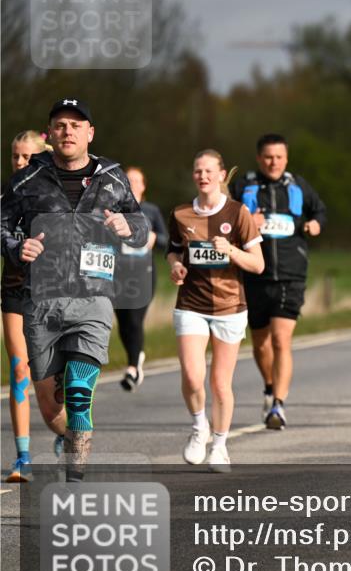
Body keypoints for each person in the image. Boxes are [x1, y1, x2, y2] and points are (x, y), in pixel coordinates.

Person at [1, 98, 149, 482]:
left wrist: (127, 227)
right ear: (50, 135)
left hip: (93, 299)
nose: (68, 131)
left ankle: (75, 484)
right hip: (41, 304)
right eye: (60, 125)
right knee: (51, 408)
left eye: (76, 125)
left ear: (90, 133)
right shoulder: (25, 180)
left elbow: (141, 223)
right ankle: (68, 439)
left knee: (81, 394)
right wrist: (17, 247)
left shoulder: (113, 178)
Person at [169, 150, 264, 472]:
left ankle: (220, 446)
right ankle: (199, 428)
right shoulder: (181, 214)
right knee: (193, 377)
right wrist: (176, 267)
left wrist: (232, 250)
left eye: (209, 171)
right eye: (198, 171)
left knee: (220, 384)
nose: (203, 176)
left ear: (222, 174)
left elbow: (258, 264)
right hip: (191, 306)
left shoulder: (239, 213)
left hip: (229, 307)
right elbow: (172, 252)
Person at [229, 134, 326, 430]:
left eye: (279, 157)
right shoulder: (243, 185)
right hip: (254, 273)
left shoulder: (298, 185)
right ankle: (270, 387)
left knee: (282, 339)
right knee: (260, 344)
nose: (274, 162)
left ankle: (278, 406)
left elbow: (319, 210)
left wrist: (316, 224)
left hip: (291, 272)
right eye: (268, 157)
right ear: (259, 158)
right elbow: (221, 219)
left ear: (286, 158)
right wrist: (245, 222)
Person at [2, 131, 52, 482]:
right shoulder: (7, 196)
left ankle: (67, 430)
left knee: (48, 376)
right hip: (15, 288)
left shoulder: (56, 194)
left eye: (25, 157)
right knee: (19, 370)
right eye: (14, 157)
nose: (19, 163)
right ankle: (23, 457)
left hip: (53, 292)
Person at [115, 167, 167, 391]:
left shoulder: (151, 211)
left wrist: (155, 238)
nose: (132, 183)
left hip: (144, 273)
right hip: (118, 273)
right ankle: (135, 357)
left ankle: (133, 367)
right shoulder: (114, 210)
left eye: (137, 180)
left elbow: (167, 241)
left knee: (135, 319)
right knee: (124, 322)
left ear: (144, 186)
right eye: (128, 180)